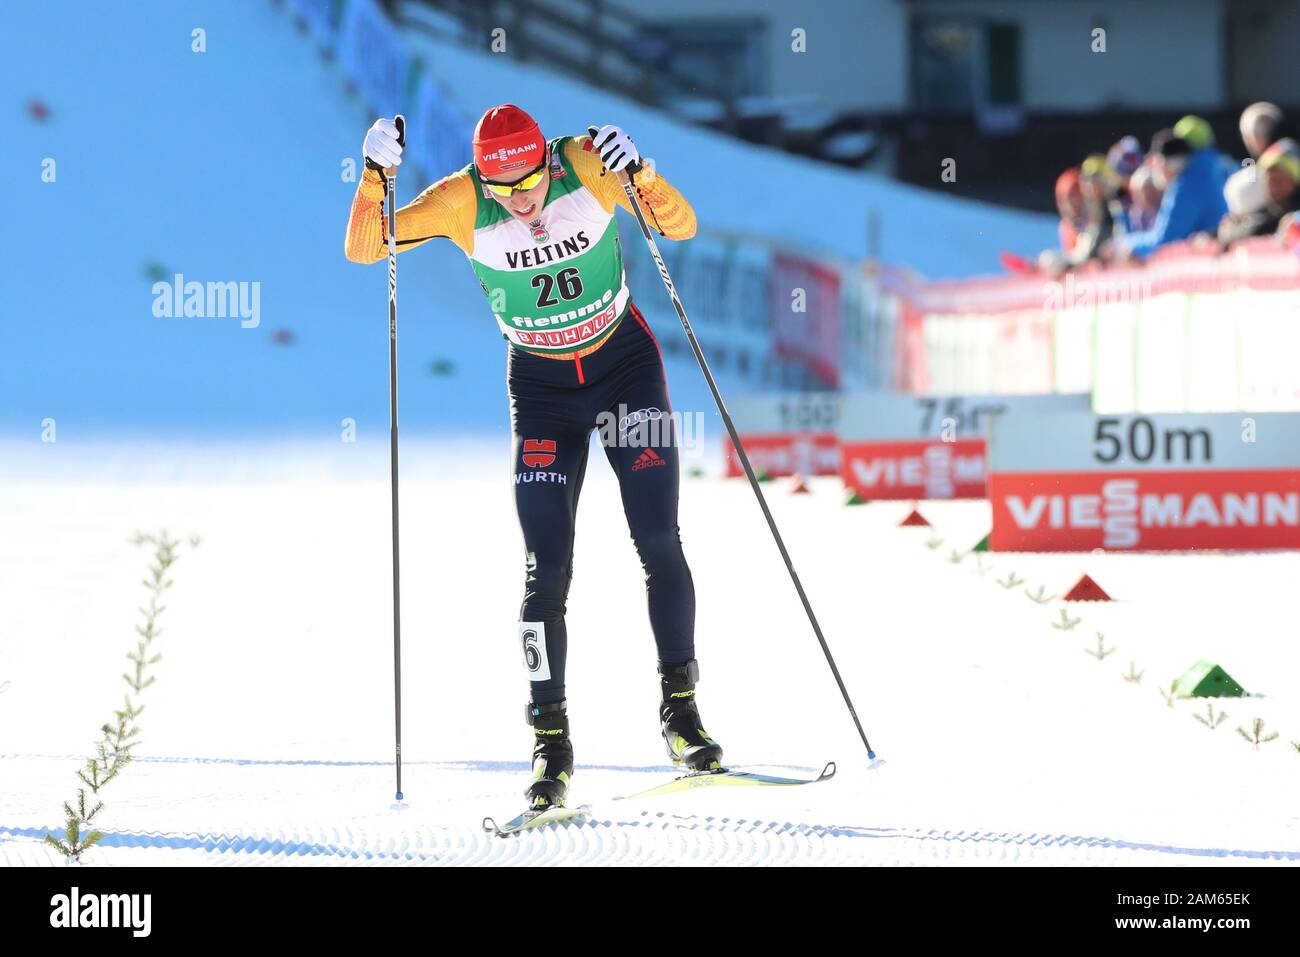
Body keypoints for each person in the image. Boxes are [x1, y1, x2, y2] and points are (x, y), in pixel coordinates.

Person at [343, 105, 724, 810]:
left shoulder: (586, 164)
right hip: (544, 392)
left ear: (548, 160)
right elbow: (368, 247)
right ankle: (551, 742)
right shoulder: (463, 200)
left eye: (529, 183)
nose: (520, 201)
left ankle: (682, 714)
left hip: (624, 372)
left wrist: (640, 171)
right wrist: (373, 179)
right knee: (544, 569)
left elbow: (681, 226)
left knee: (658, 540)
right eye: (503, 188)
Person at [1119, 127, 1228, 260]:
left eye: (1157, 162)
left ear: (1167, 162)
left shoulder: (1186, 188)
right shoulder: (1207, 173)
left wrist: (1125, 244)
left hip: (1210, 263)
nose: (1155, 169)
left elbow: (1165, 241)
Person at [1218, 139, 1300, 247]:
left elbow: (1271, 225)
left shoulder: (1293, 211)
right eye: (1271, 180)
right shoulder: (1263, 207)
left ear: (1294, 182)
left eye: (1280, 181)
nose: (1274, 187)